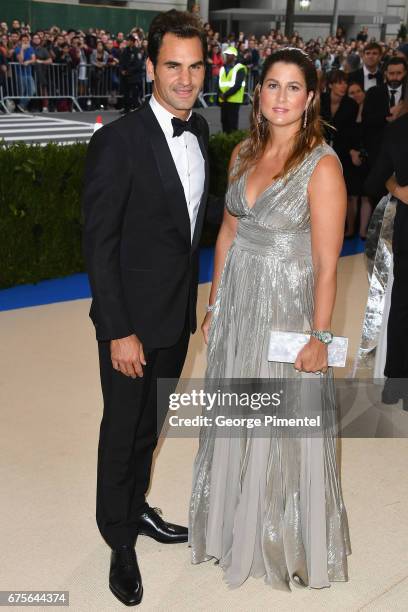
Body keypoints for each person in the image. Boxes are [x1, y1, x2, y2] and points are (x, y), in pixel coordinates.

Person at [189, 48, 350, 591]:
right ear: (258, 93)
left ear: (309, 99)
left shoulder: (323, 165)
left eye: (293, 88)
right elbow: (229, 234)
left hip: (288, 307)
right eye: (272, 86)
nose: (281, 97)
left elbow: (329, 263)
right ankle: (235, 527)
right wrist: (214, 304)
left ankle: (287, 540)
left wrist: (320, 335)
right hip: (238, 304)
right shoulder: (242, 153)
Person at [82, 10, 210, 607]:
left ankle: (137, 508)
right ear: (151, 67)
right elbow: (99, 245)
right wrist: (118, 331)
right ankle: (118, 538)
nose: (184, 79)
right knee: (121, 430)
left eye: (194, 66)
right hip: (130, 325)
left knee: (150, 428)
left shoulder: (201, 131)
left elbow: (186, 228)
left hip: (175, 318)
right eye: (172, 66)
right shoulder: (117, 141)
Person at [364, 106, 408, 409]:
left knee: (403, 306)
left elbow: (373, 181)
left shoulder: (397, 129)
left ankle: (395, 385)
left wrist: (397, 188)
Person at [320, 70, 359, 236]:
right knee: (322, 191)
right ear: (330, 85)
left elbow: (350, 131)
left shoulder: (351, 104)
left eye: (345, 82)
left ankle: (349, 230)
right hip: (321, 151)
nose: (344, 86)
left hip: (343, 152)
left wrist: (350, 150)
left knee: (346, 192)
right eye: (339, 82)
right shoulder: (321, 100)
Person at [362, 56, 407, 168]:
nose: (395, 77)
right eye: (391, 73)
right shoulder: (373, 93)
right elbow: (366, 120)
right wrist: (387, 114)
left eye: (399, 73)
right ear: (385, 73)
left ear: (405, 73)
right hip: (378, 152)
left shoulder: (407, 93)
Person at [347, 81, 372, 238]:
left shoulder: (372, 111)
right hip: (350, 159)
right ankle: (350, 229)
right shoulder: (347, 113)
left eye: (358, 91)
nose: (356, 94)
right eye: (352, 92)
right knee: (351, 196)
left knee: (365, 195)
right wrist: (351, 152)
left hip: (369, 159)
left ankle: (363, 231)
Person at [218, 45, 246, 133]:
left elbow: (237, 85)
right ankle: (225, 142)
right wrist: (218, 97)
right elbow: (219, 84)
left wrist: (225, 95)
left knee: (232, 124)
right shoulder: (223, 68)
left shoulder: (240, 68)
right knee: (224, 121)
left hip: (234, 100)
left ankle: (233, 143)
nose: (226, 56)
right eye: (226, 54)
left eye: (229, 54)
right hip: (223, 99)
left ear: (234, 56)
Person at [119, 34, 144, 113]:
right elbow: (121, 61)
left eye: (129, 41)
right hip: (125, 76)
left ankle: (135, 108)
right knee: (126, 93)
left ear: (133, 42)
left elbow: (138, 64)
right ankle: (126, 108)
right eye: (127, 40)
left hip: (134, 76)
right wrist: (122, 70)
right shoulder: (125, 50)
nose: (127, 42)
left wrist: (129, 71)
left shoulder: (137, 51)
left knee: (134, 93)